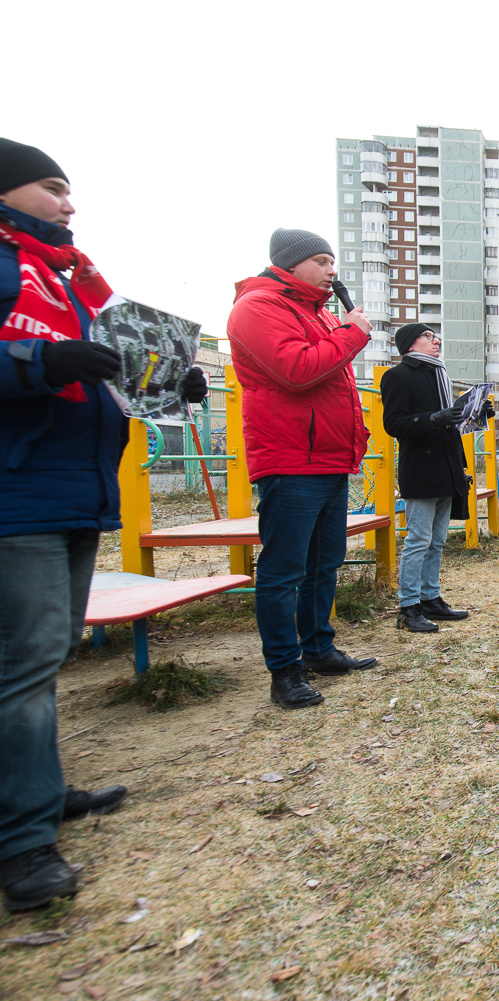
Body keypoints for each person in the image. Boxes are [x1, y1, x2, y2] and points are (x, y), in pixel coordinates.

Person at [0, 140, 203, 910]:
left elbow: (109, 364)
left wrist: (166, 381)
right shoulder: (11, 270)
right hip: (17, 492)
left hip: (73, 491)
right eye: (53, 188)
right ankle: (22, 841)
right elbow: (48, 362)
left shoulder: (72, 282)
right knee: (19, 668)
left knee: (42, 657)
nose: (69, 203)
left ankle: (39, 791)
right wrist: (40, 365)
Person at [228, 227, 379, 709]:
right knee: (284, 570)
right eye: (320, 261)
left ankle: (318, 648)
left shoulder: (315, 314)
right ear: (289, 265)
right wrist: (352, 332)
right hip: (291, 458)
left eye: (332, 262)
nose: (331, 271)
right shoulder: (258, 308)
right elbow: (297, 371)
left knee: (324, 563)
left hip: (329, 459)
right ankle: (285, 669)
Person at [380, 323, 484, 633]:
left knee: (437, 540)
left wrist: (475, 413)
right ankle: (408, 607)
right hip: (421, 469)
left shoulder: (440, 375)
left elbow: (452, 424)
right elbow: (394, 424)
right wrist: (434, 418)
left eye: (435, 336)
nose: (435, 341)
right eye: (428, 336)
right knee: (418, 541)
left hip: (447, 467)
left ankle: (430, 598)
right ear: (410, 343)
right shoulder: (397, 376)